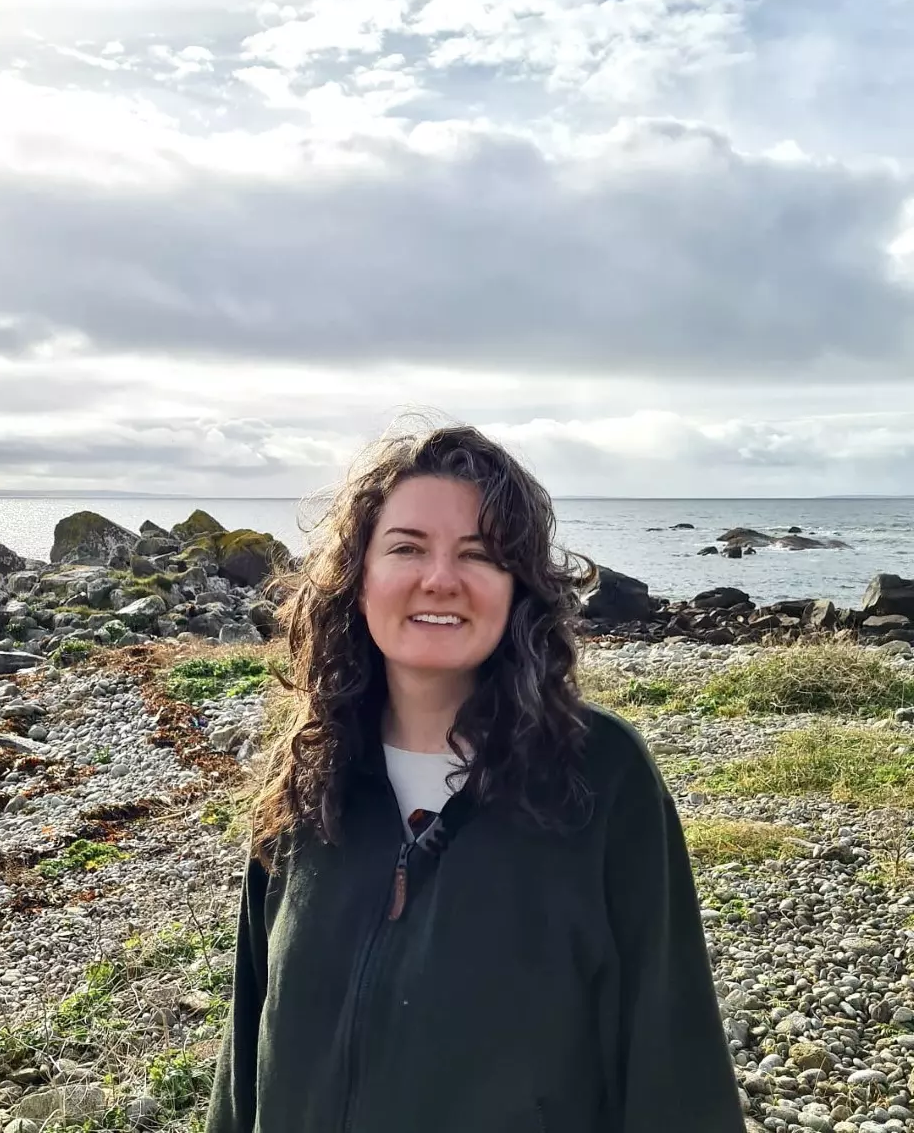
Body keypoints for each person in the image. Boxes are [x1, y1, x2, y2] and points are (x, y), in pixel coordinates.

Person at [204, 423, 745, 1133]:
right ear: (357, 579)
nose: (440, 578)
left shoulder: (598, 773)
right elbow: (250, 1038)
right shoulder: (312, 768)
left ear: (517, 589)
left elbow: (672, 1054)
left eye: (480, 554)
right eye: (405, 547)